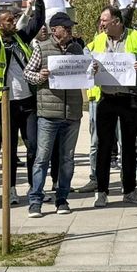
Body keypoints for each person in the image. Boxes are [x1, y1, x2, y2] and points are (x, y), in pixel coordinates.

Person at [0, 0, 45, 205]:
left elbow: (37, 21)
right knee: (9, 150)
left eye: (14, 19)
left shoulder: (21, 38)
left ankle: (34, 188)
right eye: (9, 20)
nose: (14, 22)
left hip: (28, 101)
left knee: (33, 147)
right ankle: (10, 189)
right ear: (0, 25)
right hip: (5, 103)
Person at [24, 12, 85, 218]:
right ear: (54, 29)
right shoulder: (41, 48)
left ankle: (62, 198)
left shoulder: (77, 49)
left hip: (72, 114)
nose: (69, 31)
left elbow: (86, 73)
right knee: (42, 158)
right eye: (65, 28)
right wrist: (39, 76)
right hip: (48, 114)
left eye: (70, 28)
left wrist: (91, 69)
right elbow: (27, 74)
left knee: (67, 159)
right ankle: (35, 201)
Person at [88, 6, 137, 207]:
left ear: (117, 22)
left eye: (105, 20)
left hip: (129, 100)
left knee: (129, 147)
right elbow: (86, 64)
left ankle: (129, 190)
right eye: (102, 20)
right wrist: (91, 68)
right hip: (106, 98)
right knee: (104, 147)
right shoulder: (97, 40)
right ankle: (101, 191)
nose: (102, 24)